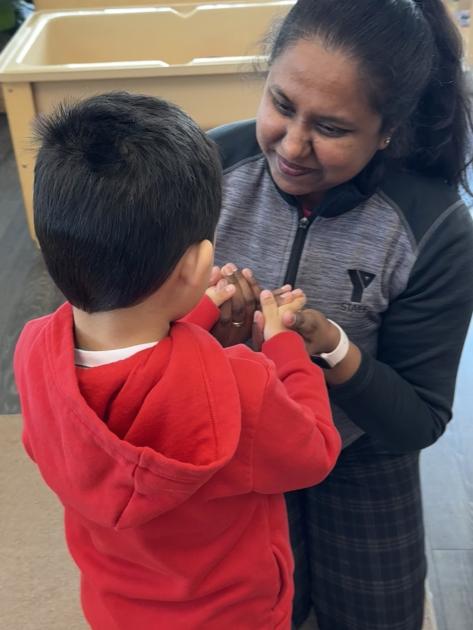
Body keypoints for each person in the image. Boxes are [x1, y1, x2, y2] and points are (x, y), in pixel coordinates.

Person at [13, 92, 341, 630]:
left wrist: (195, 308)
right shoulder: (240, 388)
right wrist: (284, 347)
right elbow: (314, 452)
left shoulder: (33, 350)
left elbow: (126, 367)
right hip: (234, 616)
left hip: (117, 610)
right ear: (197, 264)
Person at [207, 0, 473, 628]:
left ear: (388, 130)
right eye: (281, 104)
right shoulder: (208, 170)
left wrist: (333, 350)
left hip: (361, 449)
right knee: (259, 608)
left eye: (331, 128)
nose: (293, 146)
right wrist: (211, 332)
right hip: (231, 441)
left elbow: (417, 420)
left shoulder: (433, 228)